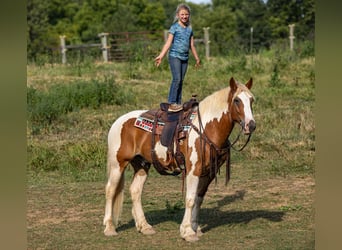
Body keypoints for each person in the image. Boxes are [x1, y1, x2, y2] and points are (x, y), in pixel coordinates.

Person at [155, 3, 200, 112]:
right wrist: (161, 55)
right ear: (178, 15)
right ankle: (171, 102)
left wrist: (197, 58)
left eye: (186, 14)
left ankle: (178, 103)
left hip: (185, 58)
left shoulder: (189, 29)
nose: (184, 16)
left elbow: (192, 45)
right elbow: (168, 43)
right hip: (174, 56)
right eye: (182, 14)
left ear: (189, 15)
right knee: (177, 79)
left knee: (181, 80)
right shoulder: (174, 27)